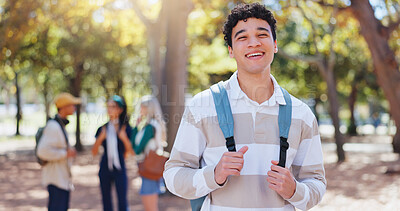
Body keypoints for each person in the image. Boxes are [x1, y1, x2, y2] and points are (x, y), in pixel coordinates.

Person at [163, 3, 326, 211]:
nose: (253, 43)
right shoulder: (202, 106)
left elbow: (317, 182)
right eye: (242, 37)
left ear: (275, 44)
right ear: (231, 50)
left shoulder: (301, 114)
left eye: (262, 35)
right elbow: (173, 175)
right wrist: (214, 174)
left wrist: (295, 190)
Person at [37, 92, 81, 211]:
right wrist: (65, 154)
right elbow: (42, 151)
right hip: (56, 179)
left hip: (62, 178)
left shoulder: (60, 125)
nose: (74, 108)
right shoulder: (53, 126)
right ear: (64, 107)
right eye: (72, 105)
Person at [92, 95, 134, 211]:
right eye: (108, 106)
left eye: (113, 106)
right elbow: (94, 152)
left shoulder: (126, 128)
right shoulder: (103, 128)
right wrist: (100, 138)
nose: (109, 109)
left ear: (120, 109)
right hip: (105, 168)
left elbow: (131, 152)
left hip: (120, 168)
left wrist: (124, 138)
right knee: (106, 202)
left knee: (122, 202)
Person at [130, 95, 167, 211]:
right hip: (150, 166)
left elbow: (136, 149)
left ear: (148, 108)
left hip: (148, 167)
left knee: (149, 205)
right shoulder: (151, 125)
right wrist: (136, 126)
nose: (140, 109)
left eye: (142, 106)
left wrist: (136, 128)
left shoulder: (150, 127)